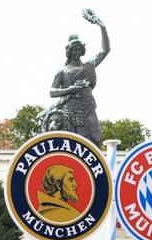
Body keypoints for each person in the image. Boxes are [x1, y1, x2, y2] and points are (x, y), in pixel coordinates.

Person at [43, 9, 110, 146]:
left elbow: (105, 50)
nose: (77, 52)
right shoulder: (62, 70)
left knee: (95, 138)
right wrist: (70, 89)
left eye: (79, 49)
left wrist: (102, 27)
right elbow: (52, 91)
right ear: (69, 51)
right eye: (74, 49)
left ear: (82, 50)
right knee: (72, 142)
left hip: (88, 106)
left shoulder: (89, 65)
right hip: (69, 110)